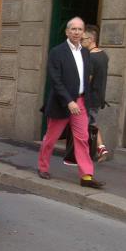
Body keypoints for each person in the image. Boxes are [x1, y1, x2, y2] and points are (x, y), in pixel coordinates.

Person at [37, 17, 105, 189]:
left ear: (83, 33)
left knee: (82, 139)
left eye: (79, 29)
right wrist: (68, 101)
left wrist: (86, 100)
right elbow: (55, 80)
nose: (76, 32)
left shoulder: (85, 53)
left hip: (81, 102)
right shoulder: (56, 52)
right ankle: (43, 167)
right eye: (73, 29)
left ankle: (86, 176)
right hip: (62, 103)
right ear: (67, 32)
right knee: (51, 138)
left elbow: (85, 79)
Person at [64, 25, 110, 165]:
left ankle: (84, 156)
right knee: (91, 123)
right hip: (98, 96)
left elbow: (86, 81)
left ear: (91, 39)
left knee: (83, 128)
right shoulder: (103, 55)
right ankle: (101, 148)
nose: (80, 41)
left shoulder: (90, 57)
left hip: (88, 98)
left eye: (83, 39)